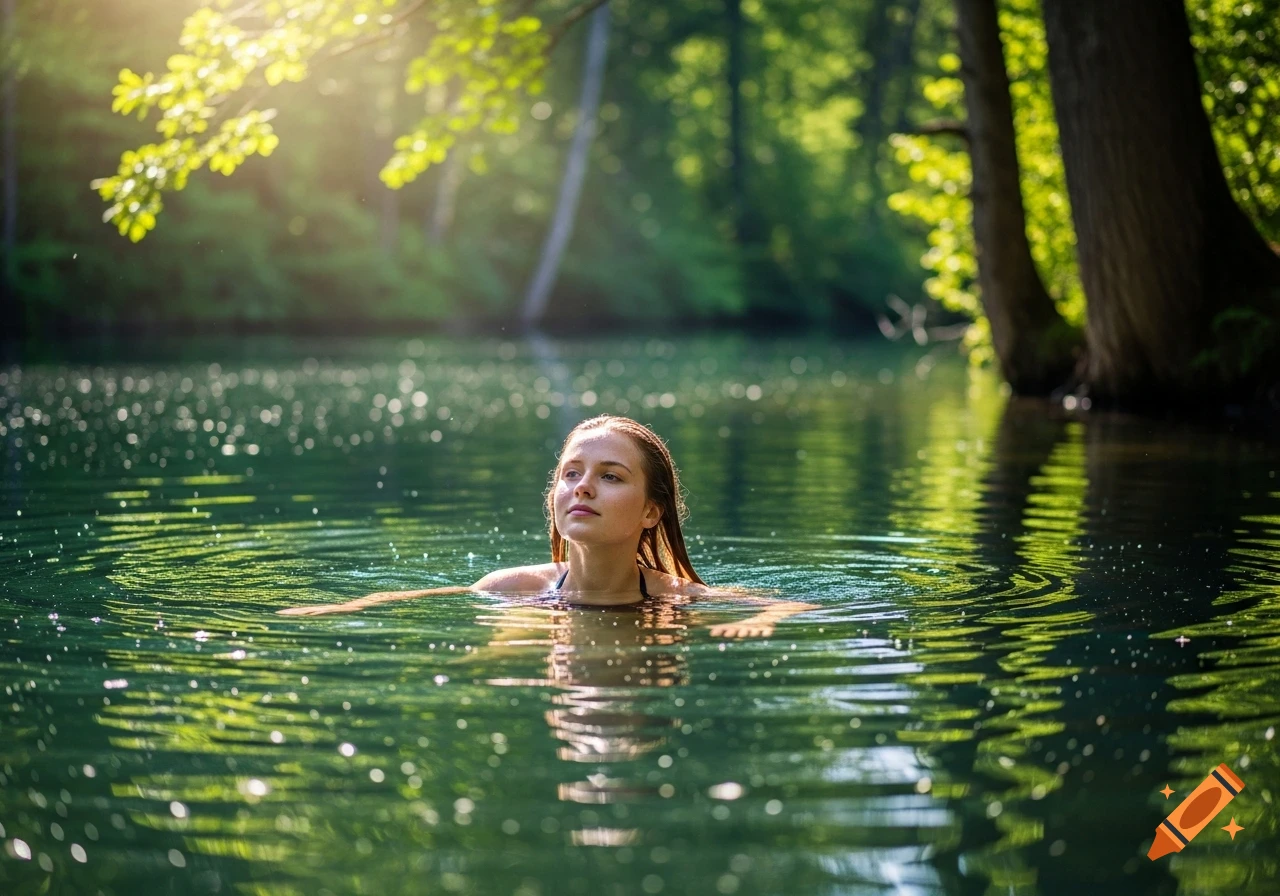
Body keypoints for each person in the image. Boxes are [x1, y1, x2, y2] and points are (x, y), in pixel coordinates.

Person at [278, 414, 818, 637]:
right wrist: (346, 606)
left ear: (652, 511)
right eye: (571, 473)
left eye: (610, 476)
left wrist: (766, 617)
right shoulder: (512, 588)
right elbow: (423, 595)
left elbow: (797, 605)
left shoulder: (677, 597)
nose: (582, 487)